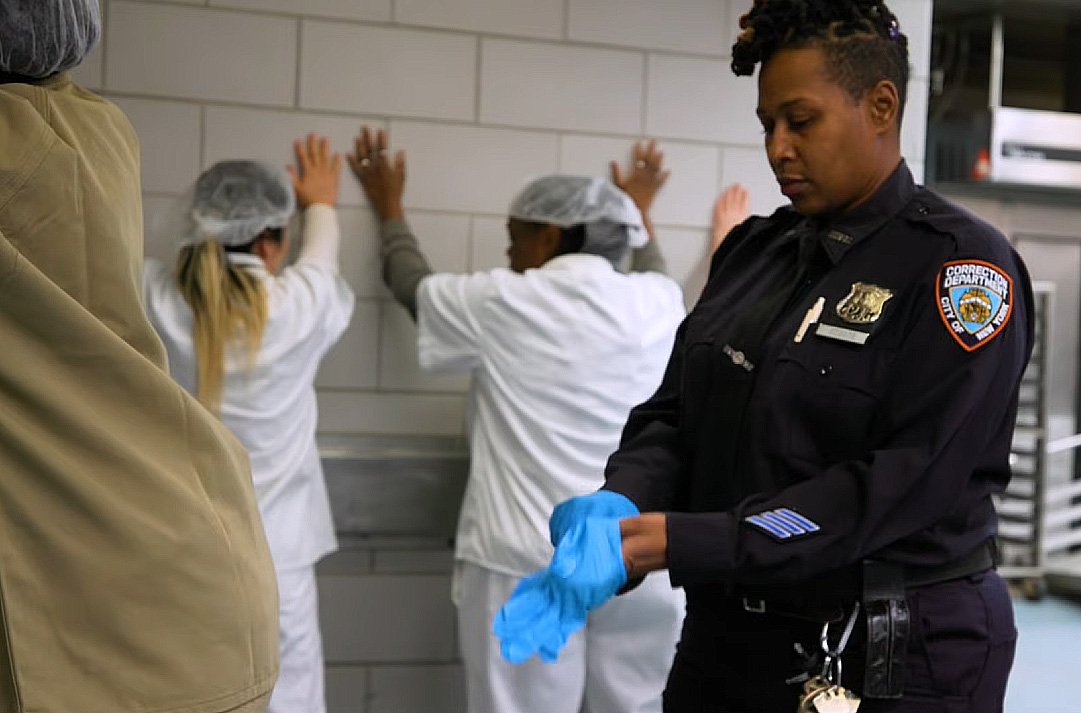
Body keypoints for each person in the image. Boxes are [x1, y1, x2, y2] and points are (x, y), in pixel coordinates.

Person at [497, 1, 1034, 712]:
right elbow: (673, 416)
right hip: (729, 635)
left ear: (881, 106)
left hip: (887, 650)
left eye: (800, 121)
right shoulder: (755, 252)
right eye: (767, 126)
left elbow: (905, 483)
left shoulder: (958, 269)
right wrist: (624, 498)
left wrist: (689, 540)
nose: (778, 147)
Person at [0, 2, 279, 712]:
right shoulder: (101, 131)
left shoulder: (166, 290)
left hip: (115, 610)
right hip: (203, 568)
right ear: (272, 239)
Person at [350, 127, 688, 713]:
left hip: (528, 561)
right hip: (636, 558)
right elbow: (654, 265)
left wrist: (390, 210)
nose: (508, 255)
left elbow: (412, 287)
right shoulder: (659, 300)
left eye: (514, 239)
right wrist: (637, 209)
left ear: (550, 235)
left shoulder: (505, 300)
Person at [143, 137, 354, 713]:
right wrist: (321, 202)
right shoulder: (299, 307)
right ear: (268, 241)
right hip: (279, 561)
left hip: (182, 553)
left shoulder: (155, 298)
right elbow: (322, 257)